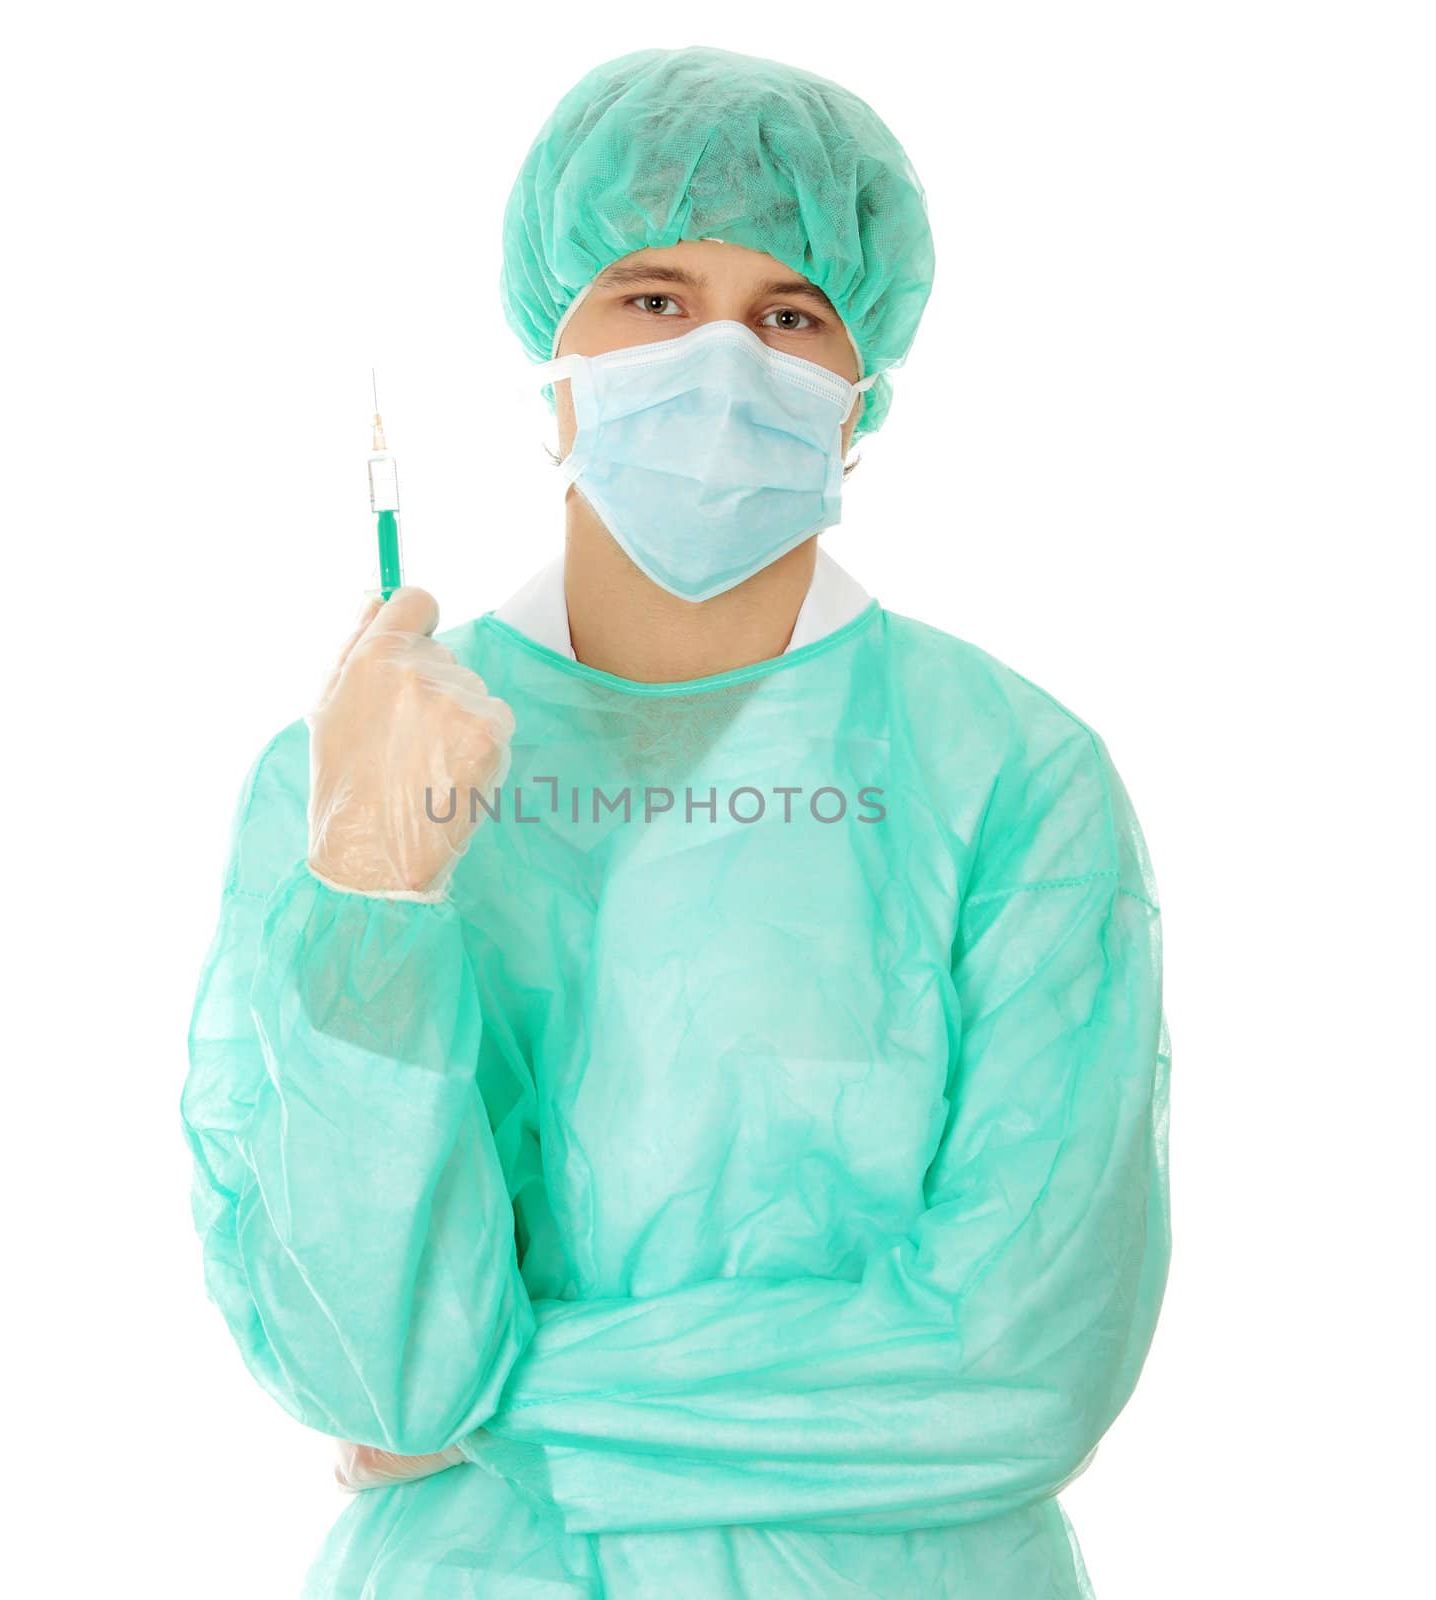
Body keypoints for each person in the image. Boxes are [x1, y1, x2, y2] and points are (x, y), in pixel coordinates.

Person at [182, 45, 1171, 1599]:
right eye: (651, 298)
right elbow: (368, 1380)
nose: (722, 359)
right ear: (553, 373)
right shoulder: (347, 785)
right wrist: (375, 895)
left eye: (789, 315)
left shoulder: (1010, 775)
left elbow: (1018, 1365)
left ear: (860, 400)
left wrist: (506, 1407)